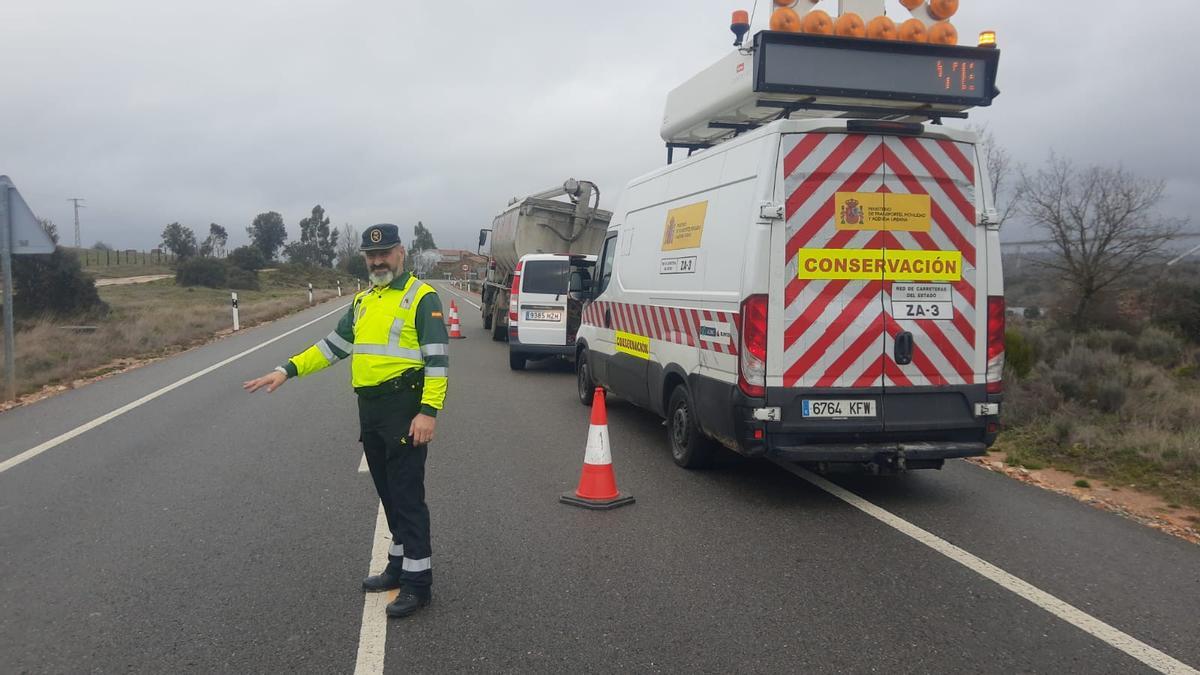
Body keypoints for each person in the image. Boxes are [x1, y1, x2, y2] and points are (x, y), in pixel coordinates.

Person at [243, 223, 448, 618]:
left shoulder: (420, 297)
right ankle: (397, 566)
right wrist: (287, 369)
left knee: (407, 498)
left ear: (401, 253)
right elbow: (333, 346)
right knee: (389, 495)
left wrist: (428, 412)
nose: (377, 260)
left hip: (405, 407)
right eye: (371, 255)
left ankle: (418, 584)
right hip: (370, 409)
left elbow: (438, 359)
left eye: (385, 253)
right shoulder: (363, 300)